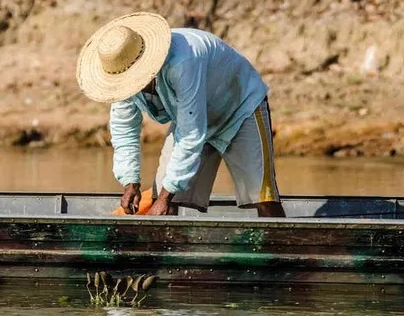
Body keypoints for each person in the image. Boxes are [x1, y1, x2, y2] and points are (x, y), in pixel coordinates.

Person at [76, 12, 285, 217]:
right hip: (193, 116)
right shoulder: (120, 76)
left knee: (262, 197)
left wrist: (165, 198)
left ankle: (281, 238)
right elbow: (124, 130)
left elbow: (191, 134)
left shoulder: (182, 62)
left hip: (240, 106)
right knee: (163, 197)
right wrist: (130, 182)